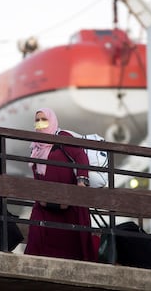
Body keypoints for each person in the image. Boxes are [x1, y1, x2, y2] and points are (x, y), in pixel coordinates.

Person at [24, 107, 96, 262]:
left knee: (71, 243)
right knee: (37, 237)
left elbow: (80, 156)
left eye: (44, 119)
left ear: (52, 120)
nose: (40, 123)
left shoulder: (62, 136)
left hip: (68, 202)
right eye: (37, 120)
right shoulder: (36, 146)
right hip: (44, 203)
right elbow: (37, 173)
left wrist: (82, 181)